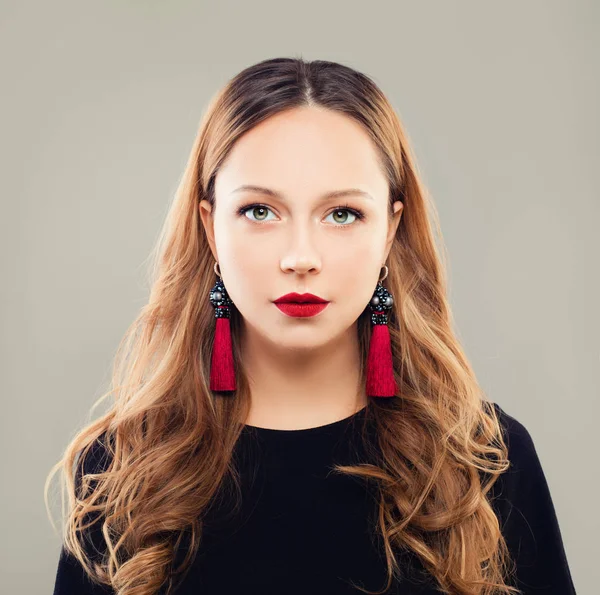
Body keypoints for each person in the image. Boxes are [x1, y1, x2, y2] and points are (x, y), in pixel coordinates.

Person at [46, 57, 577, 595]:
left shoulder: (485, 462)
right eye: (259, 211)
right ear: (210, 226)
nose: (301, 257)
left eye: (342, 214)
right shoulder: (120, 473)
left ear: (390, 228)